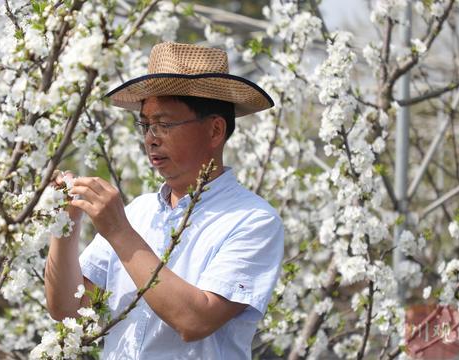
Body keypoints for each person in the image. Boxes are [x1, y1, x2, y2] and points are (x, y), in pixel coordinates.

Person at [44, 42, 284, 360]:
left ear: (215, 130)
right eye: (145, 125)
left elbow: (194, 320)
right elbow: (68, 309)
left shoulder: (253, 220)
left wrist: (119, 231)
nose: (151, 138)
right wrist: (65, 222)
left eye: (165, 124)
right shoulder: (139, 212)